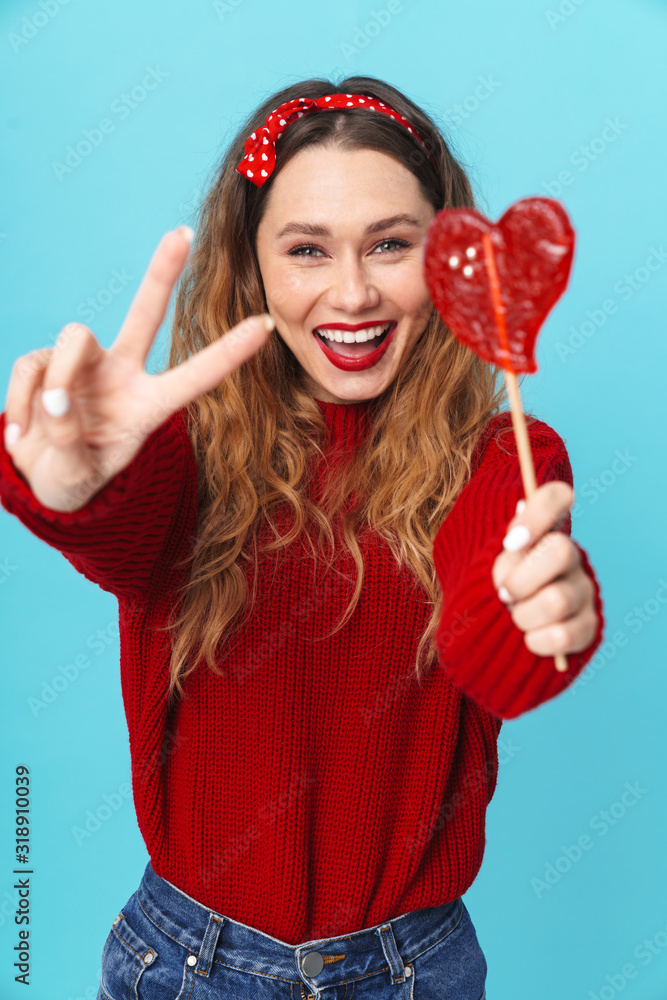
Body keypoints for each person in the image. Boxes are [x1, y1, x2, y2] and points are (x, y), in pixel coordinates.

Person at [0, 76, 604, 999]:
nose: (352, 292)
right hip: (187, 964)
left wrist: (538, 621)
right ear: (255, 268)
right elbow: (116, 526)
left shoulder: (503, 456)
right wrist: (71, 484)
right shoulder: (185, 449)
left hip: (413, 970)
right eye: (308, 249)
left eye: (391, 245)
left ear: (444, 259)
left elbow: (493, 640)